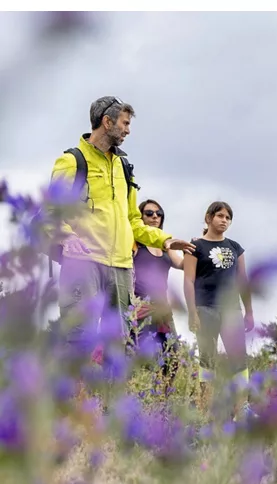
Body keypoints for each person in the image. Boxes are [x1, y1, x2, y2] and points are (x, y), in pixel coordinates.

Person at [48, 96, 195, 362]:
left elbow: (132, 219)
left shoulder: (124, 167)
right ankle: (73, 401)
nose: (128, 130)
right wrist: (66, 235)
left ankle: (113, 403)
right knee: (79, 340)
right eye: (125, 123)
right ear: (107, 122)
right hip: (83, 263)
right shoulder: (72, 162)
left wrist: (164, 240)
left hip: (122, 267)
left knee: (121, 345)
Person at [183, 201, 254, 416]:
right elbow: (188, 280)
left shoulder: (235, 247)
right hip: (205, 308)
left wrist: (249, 312)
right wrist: (192, 312)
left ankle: (241, 408)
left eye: (228, 217)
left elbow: (243, 280)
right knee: (208, 360)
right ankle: (206, 409)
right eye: (220, 216)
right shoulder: (195, 247)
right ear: (208, 218)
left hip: (231, 310)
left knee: (239, 359)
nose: (224, 220)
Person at [130, 199, 186, 384]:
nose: (155, 217)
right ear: (140, 217)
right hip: (140, 307)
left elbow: (181, 264)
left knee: (172, 356)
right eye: (149, 213)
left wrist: (193, 250)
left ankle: (162, 400)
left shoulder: (165, 246)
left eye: (159, 213)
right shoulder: (135, 245)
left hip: (163, 309)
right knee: (138, 354)